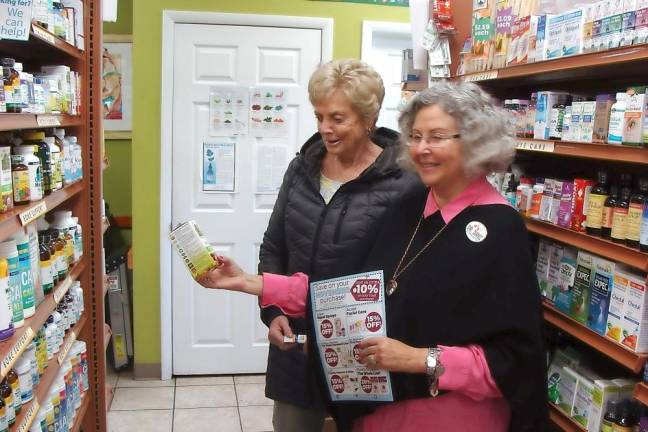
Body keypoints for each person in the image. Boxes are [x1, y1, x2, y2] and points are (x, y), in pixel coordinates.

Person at [199, 81, 548, 431]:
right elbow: (345, 290)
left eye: (438, 136)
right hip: (380, 411)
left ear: (476, 142)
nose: (422, 149)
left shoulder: (499, 228)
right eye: (415, 136)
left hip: (450, 417)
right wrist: (249, 282)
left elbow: (516, 361)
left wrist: (418, 359)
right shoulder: (408, 206)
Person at [256, 59, 420, 432]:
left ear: (367, 118)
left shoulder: (404, 182)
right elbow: (273, 246)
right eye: (319, 116)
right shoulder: (301, 169)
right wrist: (272, 309)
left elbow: (409, 271)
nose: (325, 129)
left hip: (365, 353)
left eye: (337, 118)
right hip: (296, 346)